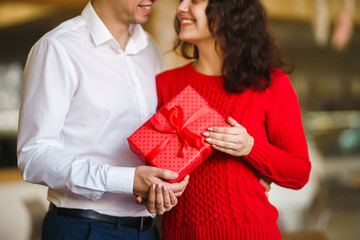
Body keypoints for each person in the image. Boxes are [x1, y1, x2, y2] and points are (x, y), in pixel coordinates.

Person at [16, 0, 189, 239]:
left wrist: (164, 184)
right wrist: (126, 181)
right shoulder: (58, 47)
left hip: (147, 229)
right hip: (83, 229)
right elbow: (33, 157)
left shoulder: (149, 48)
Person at [155, 0, 312, 239]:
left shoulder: (271, 84)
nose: (181, 7)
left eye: (194, 1)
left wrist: (250, 148)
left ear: (229, 11)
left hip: (251, 232)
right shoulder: (165, 84)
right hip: (180, 233)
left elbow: (299, 173)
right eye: (181, 1)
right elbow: (151, 169)